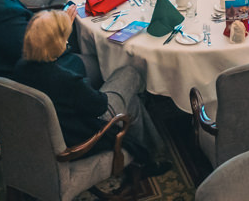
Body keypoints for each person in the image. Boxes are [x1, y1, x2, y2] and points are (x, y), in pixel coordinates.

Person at [13, 11, 171, 179]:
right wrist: (85, 85)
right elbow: (99, 106)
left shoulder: (20, 67)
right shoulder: (66, 80)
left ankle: (152, 155)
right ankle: (152, 151)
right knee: (130, 73)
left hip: (49, 129)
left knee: (133, 103)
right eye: (65, 39)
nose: (67, 41)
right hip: (82, 131)